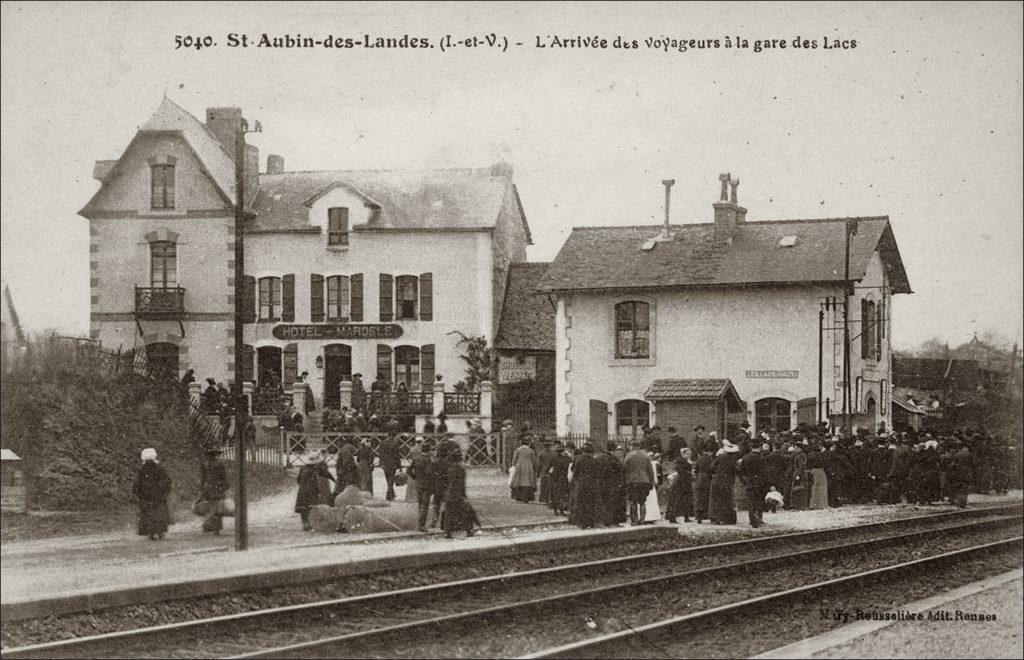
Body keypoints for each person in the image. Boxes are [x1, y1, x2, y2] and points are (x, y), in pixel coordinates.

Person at [133, 448, 171, 540]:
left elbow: (136, 484)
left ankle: (150, 533)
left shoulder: (142, 470)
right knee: (159, 514)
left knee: (147, 515)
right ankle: (161, 532)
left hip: (146, 497)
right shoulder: (160, 469)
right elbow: (167, 482)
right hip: (158, 497)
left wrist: (138, 493)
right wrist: (164, 491)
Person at [442, 449, 479, 539]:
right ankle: (469, 530)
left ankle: (448, 532)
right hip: (458, 494)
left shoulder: (449, 468)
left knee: (449, 514)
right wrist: (464, 495)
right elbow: (462, 484)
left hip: (449, 494)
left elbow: (445, 482)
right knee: (465, 513)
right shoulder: (461, 469)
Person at [295, 451, 335, 530]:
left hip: (302, 490)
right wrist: (334, 480)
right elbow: (326, 474)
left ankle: (304, 524)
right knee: (311, 507)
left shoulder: (303, 468)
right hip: (312, 490)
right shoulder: (317, 469)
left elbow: (298, 479)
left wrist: (301, 485)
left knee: (303, 507)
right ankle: (310, 524)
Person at [623, 441, 656, 526]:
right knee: (642, 502)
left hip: (632, 481)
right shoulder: (645, 456)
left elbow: (625, 469)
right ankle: (642, 520)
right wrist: (651, 481)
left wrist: (625, 481)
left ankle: (634, 521)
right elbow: (650, 471)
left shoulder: (628, 456)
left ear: (632, 446)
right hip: (644, 481)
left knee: (633, 501)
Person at [737, 442, 768, 528]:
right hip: (760, 483)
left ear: (751, 447)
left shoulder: (745, 458)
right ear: (760, 447)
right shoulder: (762, 458)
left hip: (749, 482)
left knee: (751, 502)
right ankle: (759, 518)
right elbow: (766, 472)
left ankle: (752, 520)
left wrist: (744, 481)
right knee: (759, 501)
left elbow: (740, 471)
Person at [709, 440, 740, 524]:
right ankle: (725, 519)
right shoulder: (733, 461)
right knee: (726, 501)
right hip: (727, 483)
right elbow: (738, 472)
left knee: (716, 500)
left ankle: (715, 518)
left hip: (716, 481)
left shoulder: (720, 457)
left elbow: (711, 467)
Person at [199, 448, 229, 535]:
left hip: (207, 488)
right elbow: (224, 477)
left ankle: (209, 526)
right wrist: (225, 487)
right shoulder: (220, 464)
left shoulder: (205, 464)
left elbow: (203, 478)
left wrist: (201, 488)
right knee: (217, 508)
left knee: (209, 507)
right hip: (218, 488)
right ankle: (216, 528)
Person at [571, 444, 600, 529]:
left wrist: (574, 481)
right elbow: (597, 474)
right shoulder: (594, 461)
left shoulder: (580, 460)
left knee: (582, 502)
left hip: (582, 483)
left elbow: (575, 473)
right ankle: (590, 522)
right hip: (591, 483)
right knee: (591, 502)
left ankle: (583, 523)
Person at [408, 443, 435, 531]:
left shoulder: (416, 459)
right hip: (426, 486)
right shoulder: (428, 461)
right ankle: (421, 525)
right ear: (429, 451)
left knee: (420, 505)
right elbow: (429, 473)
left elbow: (408, 470)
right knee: (425, 506)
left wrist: (415, 477)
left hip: (418, 484)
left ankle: (419, 523)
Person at [664, 450, 694, 523]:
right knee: (678, 500)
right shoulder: (680, 461)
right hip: (681, 482)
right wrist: (689, 472)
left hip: (685, 482)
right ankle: (673, 517)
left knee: (685, 500)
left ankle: (685, 517)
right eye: (687, 454)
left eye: (689, 454)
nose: (688, 455)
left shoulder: (684, 461)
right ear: (683, 454)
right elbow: (681, 470)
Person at [510, 437, 539, 502]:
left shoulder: (518, 450)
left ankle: (519, 496)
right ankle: (527, 497)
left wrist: (514, 465)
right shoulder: (531, 451)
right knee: (527, 481)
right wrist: (534, 467)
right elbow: (534, 460)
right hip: (529, 466)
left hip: (519, 466)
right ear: (528, 443)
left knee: (519, 480)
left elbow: (514, 459)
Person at [548, 442, 572, 516]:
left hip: (555, 478)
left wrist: (551, 473)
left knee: (555, 494)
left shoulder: (553, 458)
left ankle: (556, 509)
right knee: (563, 494)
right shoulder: (567, 458)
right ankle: (562, 509)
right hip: (564, 478)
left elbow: (549, 468)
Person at [693, 444, 714, 523]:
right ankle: (707, 516)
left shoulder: (699, 459)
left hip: (699, 479)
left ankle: (698, 517)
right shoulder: (710, 459)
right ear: (710, 452)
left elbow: (696, 470)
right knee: (707, 498)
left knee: (699, 499)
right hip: (707, 480)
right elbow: (712, 469)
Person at [379, 433, 402, 501]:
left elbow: (380, 453)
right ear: (393, 436)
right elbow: (397, 455)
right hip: (392, 464)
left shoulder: (382, 443)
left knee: (388, 479)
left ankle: (391, 494)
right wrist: (399, 466)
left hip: (385, 464)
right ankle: (388, 496)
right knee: (390, 480)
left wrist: (381, 463)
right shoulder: (395, 443)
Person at [807, 443, 829, 510]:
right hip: (821, 471)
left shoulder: (810, 455)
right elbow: (825, 463)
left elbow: (808, 463)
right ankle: (822, 504)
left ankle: (812, 504)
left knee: (813, 488)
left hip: (813, 470)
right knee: (822, 488)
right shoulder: (822, 455)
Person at [788, 443, 809, 509]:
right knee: (799, 489)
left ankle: (798, 506)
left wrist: (798, 475)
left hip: (799, 473)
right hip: (800, 473)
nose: (795, 449)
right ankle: (799, 506)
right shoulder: (801, 455)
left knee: (798, 489)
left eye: (796, 448)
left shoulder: (800, 456)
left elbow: (801, 466)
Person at [537, 440, 556, 505]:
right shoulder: (554, 453)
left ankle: (544, 499)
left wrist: (538, 473)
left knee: (544, 485)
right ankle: (549, 498)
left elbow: (539, 464)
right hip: (551, 470)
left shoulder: (541, 454)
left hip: (544, 471)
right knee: (550, 485)